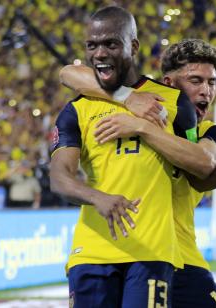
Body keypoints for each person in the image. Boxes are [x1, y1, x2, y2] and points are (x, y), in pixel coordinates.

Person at [60, 38, 216, 307]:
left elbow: (203, 169)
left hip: (182, 258)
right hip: (137, 255)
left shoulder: (210, 132)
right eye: (196, 81)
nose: (206, 91)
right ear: (169, 84)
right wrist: (127, 98)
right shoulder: (138, 110)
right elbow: (68, 73)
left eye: (212, 82)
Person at [49, 6, 197, 308]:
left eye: (111, 44)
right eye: (92, 45)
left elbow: (200, 166)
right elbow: (59, 178)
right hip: (91, 253)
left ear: (134, 46)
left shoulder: (175, 103)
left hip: (152, 252)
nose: (100, 53)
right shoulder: (77, 110)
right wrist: (97, 197)